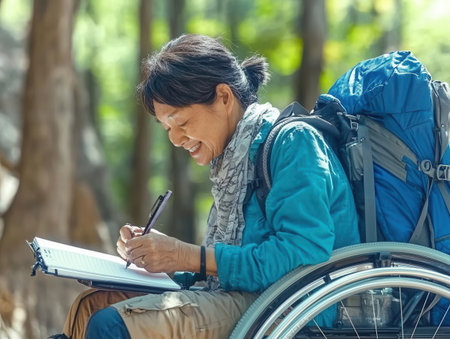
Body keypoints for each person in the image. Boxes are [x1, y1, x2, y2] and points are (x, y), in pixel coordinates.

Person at [56, 34, 359, 339]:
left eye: (182, 123)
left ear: (224, 97)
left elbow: (303, 252)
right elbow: (223, 267)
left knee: (111, 324)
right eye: (167, 129)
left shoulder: (293, 144)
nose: (175, 139)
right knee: (90, 306)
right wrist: (166, 261)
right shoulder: (231, 160)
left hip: (292, 308)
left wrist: (186, 255)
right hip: (246, 296)